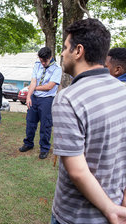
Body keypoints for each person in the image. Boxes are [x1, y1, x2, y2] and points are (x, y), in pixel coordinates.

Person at [51, 18, 126, 224]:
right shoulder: (123, 91)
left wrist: (111, 210)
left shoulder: (68, 98)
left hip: (75, 216)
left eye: (66, 47)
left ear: (78, 51)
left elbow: (77, 171)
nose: (63, 53)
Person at [19, 47, 62, 159]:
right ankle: (28, 143)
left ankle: (44, 148)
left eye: (45, 61)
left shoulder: (57, 69)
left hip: (47, 99)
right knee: (30, 122)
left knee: (45, 125)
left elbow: (49, 87)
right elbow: (33, 80)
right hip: (35, 97)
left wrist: (33, 88)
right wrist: (29, 96)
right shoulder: (37, 63)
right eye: (41, 60)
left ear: (50, 58)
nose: (42, 63)